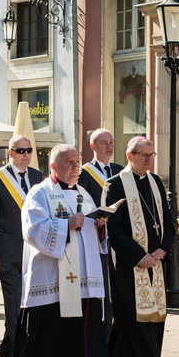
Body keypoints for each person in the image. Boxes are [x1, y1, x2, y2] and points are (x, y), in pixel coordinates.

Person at [13, 144, 112, 357]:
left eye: (77, 162)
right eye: (68, 162)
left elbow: (93, 236)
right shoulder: (40, 193)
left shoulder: (84, 194)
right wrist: (66, 224)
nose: (75, 167)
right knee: (53, 331)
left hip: (85, 278)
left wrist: (100, 225)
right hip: (53, 276)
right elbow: (32, 231)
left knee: (85, 331)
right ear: (54, 167)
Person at [103, 136, 175, 357]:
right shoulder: (115, 185)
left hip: (155, 262)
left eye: (151, 155)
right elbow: (114, 229)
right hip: (128, 265)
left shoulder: (155, 182)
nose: (148, 159)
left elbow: (169, 222)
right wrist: (138, 256)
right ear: (129, 155)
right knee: (133, 317)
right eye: (143, 155)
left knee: (154, 317)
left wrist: (161, 250)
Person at [0, 135, 42, 357]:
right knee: (14, 303)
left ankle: (7, 349)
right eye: (20, 151)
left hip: (32, 250)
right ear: (10, 153)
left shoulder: (36, 176)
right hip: (6, 251)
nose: (25, 155)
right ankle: (23, 355)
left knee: (27, 301)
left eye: (28, 150)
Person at [78, 128, 123, 339]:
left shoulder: (119, 170)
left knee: (120, 294)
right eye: (104, 143)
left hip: (120, 239)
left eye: (111, 142)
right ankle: (101, 338)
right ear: (93, 146)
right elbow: (79, 206)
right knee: (103, 294)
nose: (109, 146)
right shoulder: (83, 174)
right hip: (96, 240)